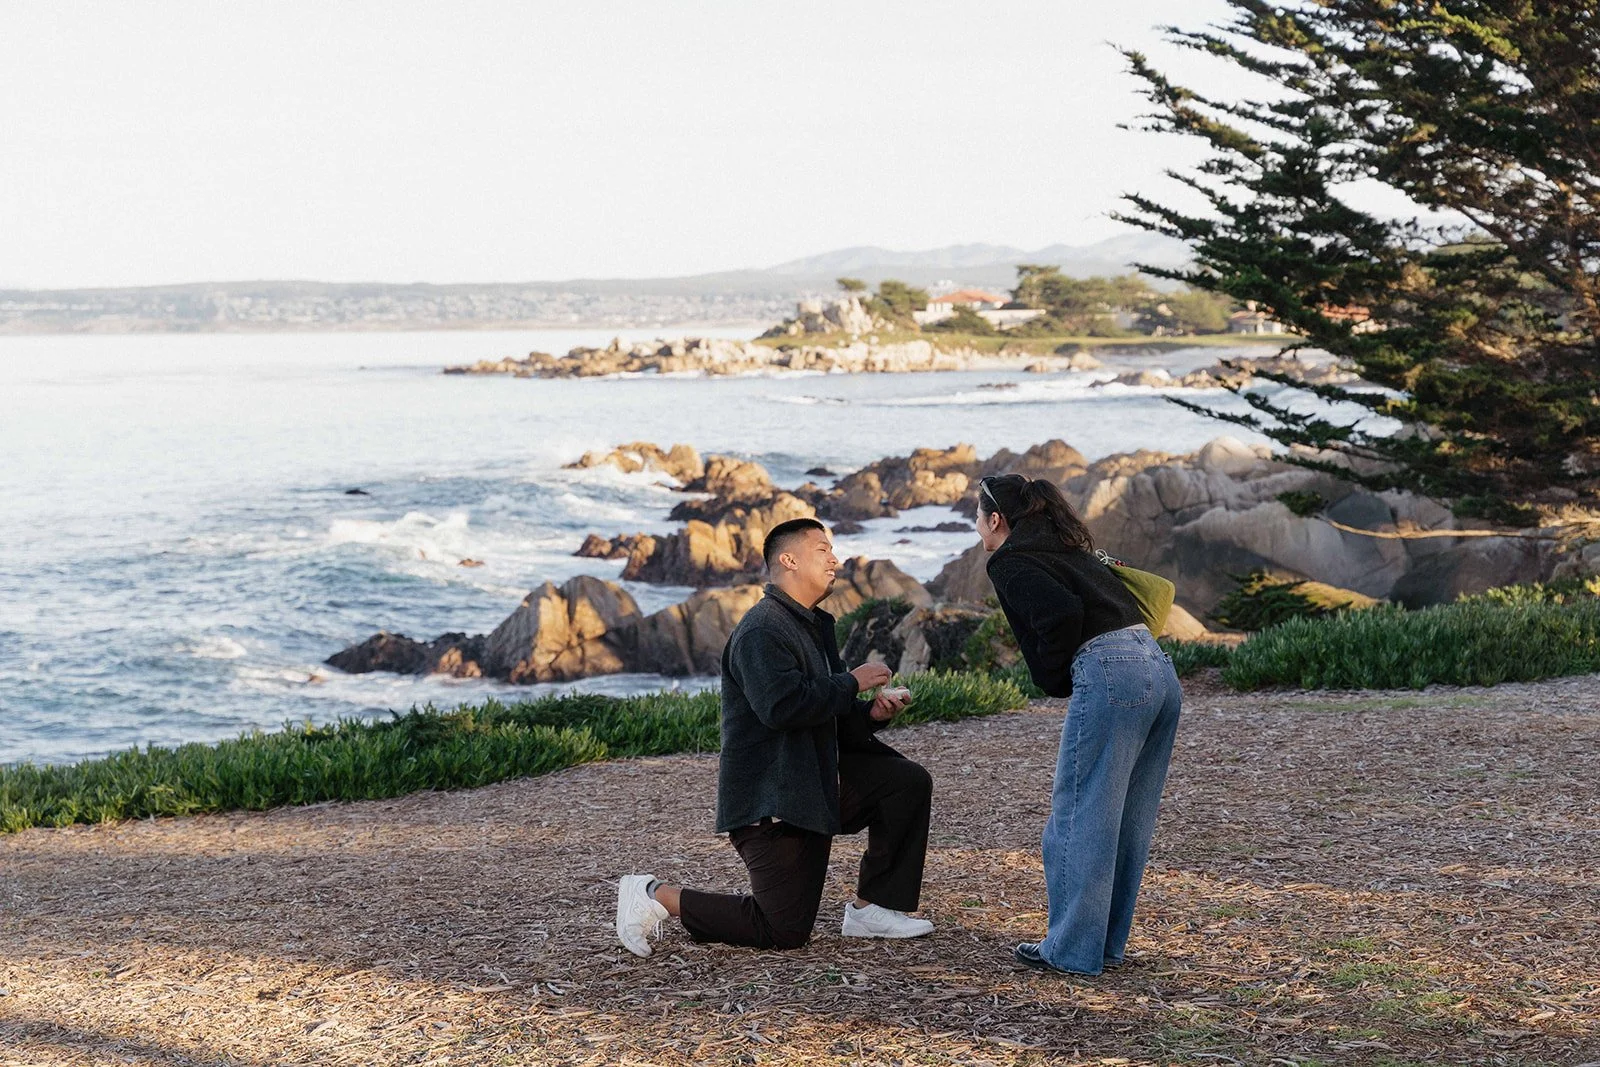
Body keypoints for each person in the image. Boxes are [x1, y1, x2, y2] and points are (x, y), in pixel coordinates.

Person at [616, 517, 935, 957]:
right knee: (782, 930)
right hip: (772, 804)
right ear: (789, 559)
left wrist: (872, 712)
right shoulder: (763, 628)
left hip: (809, 785)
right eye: (823, 550)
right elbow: (781, 708)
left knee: (905, 781)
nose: (835, 559)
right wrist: (851, 682)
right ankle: (655, 895)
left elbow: (826, 716)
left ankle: (873, 907)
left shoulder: (807, 624)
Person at [976, 473, 1182, 976]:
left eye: (977, 515)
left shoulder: (1010, 559)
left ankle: (1070, 950)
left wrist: (1051, 678)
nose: (975, 524)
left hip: (1113, 669)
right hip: (1157, 666)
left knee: (1080, 813)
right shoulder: (1070, 547)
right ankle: (1103, 946)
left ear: (996, 519)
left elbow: (1060, 613)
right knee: (1128, 819)